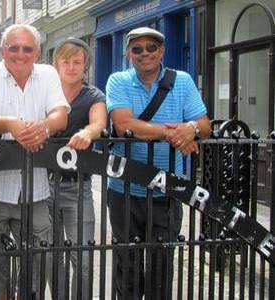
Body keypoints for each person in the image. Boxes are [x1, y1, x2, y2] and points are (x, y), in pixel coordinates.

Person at [0, 24, 69, 299]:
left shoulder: (47, 74)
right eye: (13, 47)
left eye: (27, 48)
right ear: (1, 50)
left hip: (34, 189)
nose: (20, 54)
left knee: (39, 255)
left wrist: (43, 128)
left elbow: (60, 114)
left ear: (37, 52)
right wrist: (13, 125)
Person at [106, 27, 211, 299]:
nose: (144, 54)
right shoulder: (118, 81)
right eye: (137, 49)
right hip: (124, 189)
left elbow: (204, 125)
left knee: (161, 263)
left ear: (161, 51)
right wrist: (174, 133)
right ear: (129, 54)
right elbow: (124, 125)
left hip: (168, 189)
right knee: (126, 262)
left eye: (151, 48)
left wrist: (191, 129)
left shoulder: (183, 81)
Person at [47, 37, 107, 299]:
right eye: (66, 61)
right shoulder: (47, 92)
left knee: (81, 257)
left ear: (85, 66)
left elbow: (99, 123)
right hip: (43, 185)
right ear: (56, 64)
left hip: (77, 186)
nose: (71, 67)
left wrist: (88, 133)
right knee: (50, 256)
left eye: (77, 62)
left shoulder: (93, 95)